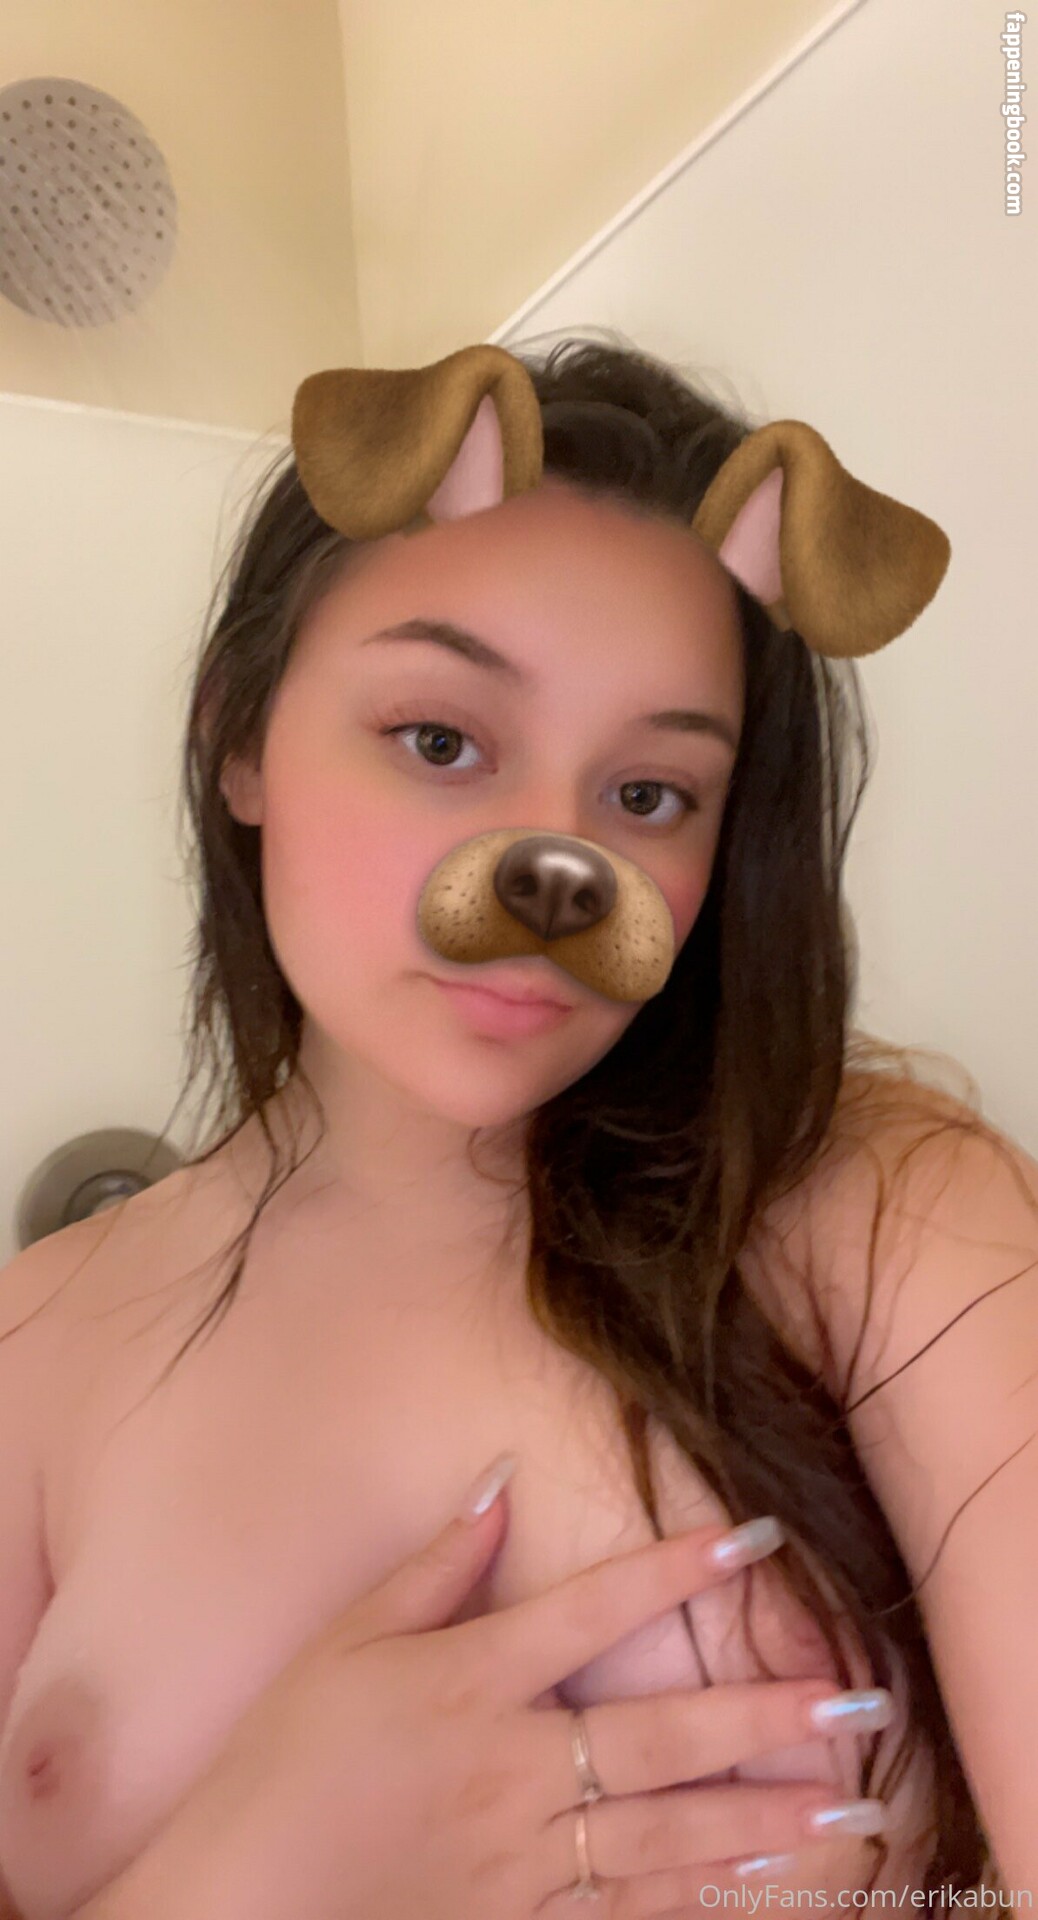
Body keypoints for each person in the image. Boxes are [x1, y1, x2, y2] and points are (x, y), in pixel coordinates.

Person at [1, 328, 1034, 1917]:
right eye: (441, 741)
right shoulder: (31, 1348)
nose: (559, 872)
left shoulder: (884, 1216)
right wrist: (252, 1869)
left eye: (647, 795)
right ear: (240, 741)